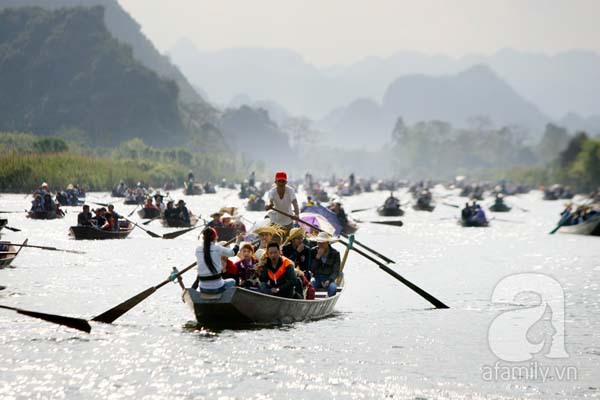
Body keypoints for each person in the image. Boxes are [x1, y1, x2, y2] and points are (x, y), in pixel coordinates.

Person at [193, 227, 237, 293]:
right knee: (233, 281)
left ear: (203, 238)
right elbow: (233, 253)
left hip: (202, 288)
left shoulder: (197, 249)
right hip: (218, 287)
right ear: (215, 237)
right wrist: (238, 242)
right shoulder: (218, 248)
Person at [311, 232, 340, 297]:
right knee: (310, 287)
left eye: (322, 243)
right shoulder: (313, 251)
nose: (320, 245)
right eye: (318, 243)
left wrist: (329, 280)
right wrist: (317, 258)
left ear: (327, 242)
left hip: (329, 278)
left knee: (333, 289)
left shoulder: (335, 253)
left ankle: (327, 299)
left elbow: (336, 271)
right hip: (317, 278)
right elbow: (312, 269)